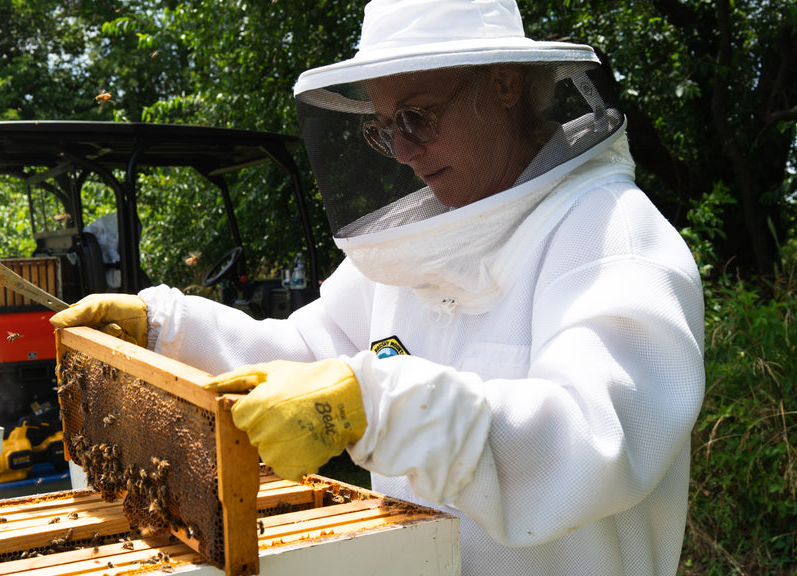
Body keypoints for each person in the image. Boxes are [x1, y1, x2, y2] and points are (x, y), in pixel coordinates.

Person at [50, 0, 706, 574]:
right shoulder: (417, 245)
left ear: (505, 85)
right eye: (384, 128)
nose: (403, 150)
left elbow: (599, 435)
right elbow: (308, 351)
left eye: (418, 116)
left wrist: (379, 402)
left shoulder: (609, 235)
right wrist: (167, 328)